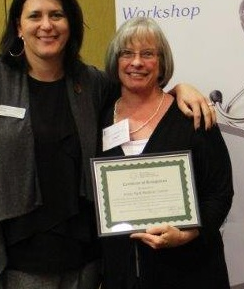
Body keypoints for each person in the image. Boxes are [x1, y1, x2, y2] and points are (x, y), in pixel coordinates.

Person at [0, 0, 217, 289]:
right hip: (15, 265)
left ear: (70, 25)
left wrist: (181, 89)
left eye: (57, 15)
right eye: (35, 16)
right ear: (18, 27)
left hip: (84, 263)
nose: (47, 25)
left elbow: (142, 88)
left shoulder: (92, 84)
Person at [99, 17, 234, 289]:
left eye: (148, 54)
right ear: (116, 61)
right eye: (127, 53)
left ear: (162, 63)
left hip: (190, 272)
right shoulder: (99, 115)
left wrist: (186, 234)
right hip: (122, 274)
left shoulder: (191, 116)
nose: (136, 62)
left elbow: (220, 192)